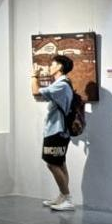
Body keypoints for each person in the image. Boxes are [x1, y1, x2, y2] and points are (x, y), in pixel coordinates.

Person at [32, 55, 76, 212]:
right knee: (60, 163)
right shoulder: (62, 84)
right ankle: (63, 196)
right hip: (59, 130)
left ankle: (67, 198)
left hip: (56, 130)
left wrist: (34, 76)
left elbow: (35, 92)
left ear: (60, 67)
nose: (50, 67)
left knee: (52, 163)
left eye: (53, 64)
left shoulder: (61, 85)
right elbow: (41, 98)